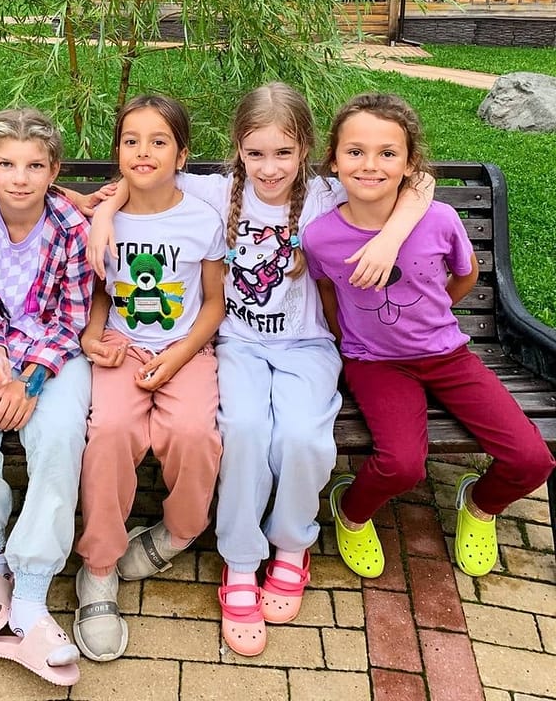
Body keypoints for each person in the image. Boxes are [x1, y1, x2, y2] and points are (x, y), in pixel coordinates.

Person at [89, 82, 433, 657]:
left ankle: (293, 546)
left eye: (283, 153)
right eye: (255, 153)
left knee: (301, 437)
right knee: (244, 430)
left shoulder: (326, 192)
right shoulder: (217, 189)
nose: (269, 168)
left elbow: (419, 184)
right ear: (238, 151)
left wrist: (391, 237)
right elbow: (146, 173)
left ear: (307, 150)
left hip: (307, 346)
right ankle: (242, 560)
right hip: (239, 345)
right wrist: (105, 211)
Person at [303, 92, 556, 580]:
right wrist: (347, 343)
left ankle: (479, 504)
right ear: (333, 160)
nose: (370, 165)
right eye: (355, 151)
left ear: (409, 163)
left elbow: (465, 275)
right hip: (375, 364)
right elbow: (327, 292)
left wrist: (432, 315)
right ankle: (351, 512)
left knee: (532, 460)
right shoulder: (321, 237)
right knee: (402, 466)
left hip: (447, 356)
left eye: (387, 153)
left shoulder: (439, 219)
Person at [0, 107, 93, 687]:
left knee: (57, 436)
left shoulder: (70, 229)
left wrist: (29, 382)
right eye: (6, 164)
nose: (20, 178)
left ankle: (31, 589)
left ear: (54, 170)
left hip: (57, 356)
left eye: (34, 165)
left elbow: (72, 318)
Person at [74, 93, 225, 663]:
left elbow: (214, 303)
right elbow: (99, 291)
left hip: (185, 349)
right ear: (117, 151)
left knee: (193, 433)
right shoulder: (102, 218)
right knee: (109, 431)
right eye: (131, 140)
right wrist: (92, 336)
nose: (143, 151)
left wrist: (181, 355)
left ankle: (178, 532)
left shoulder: (201, 220)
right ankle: (99, 566)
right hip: (120, 346)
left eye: (159, 141)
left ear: (181, 155)